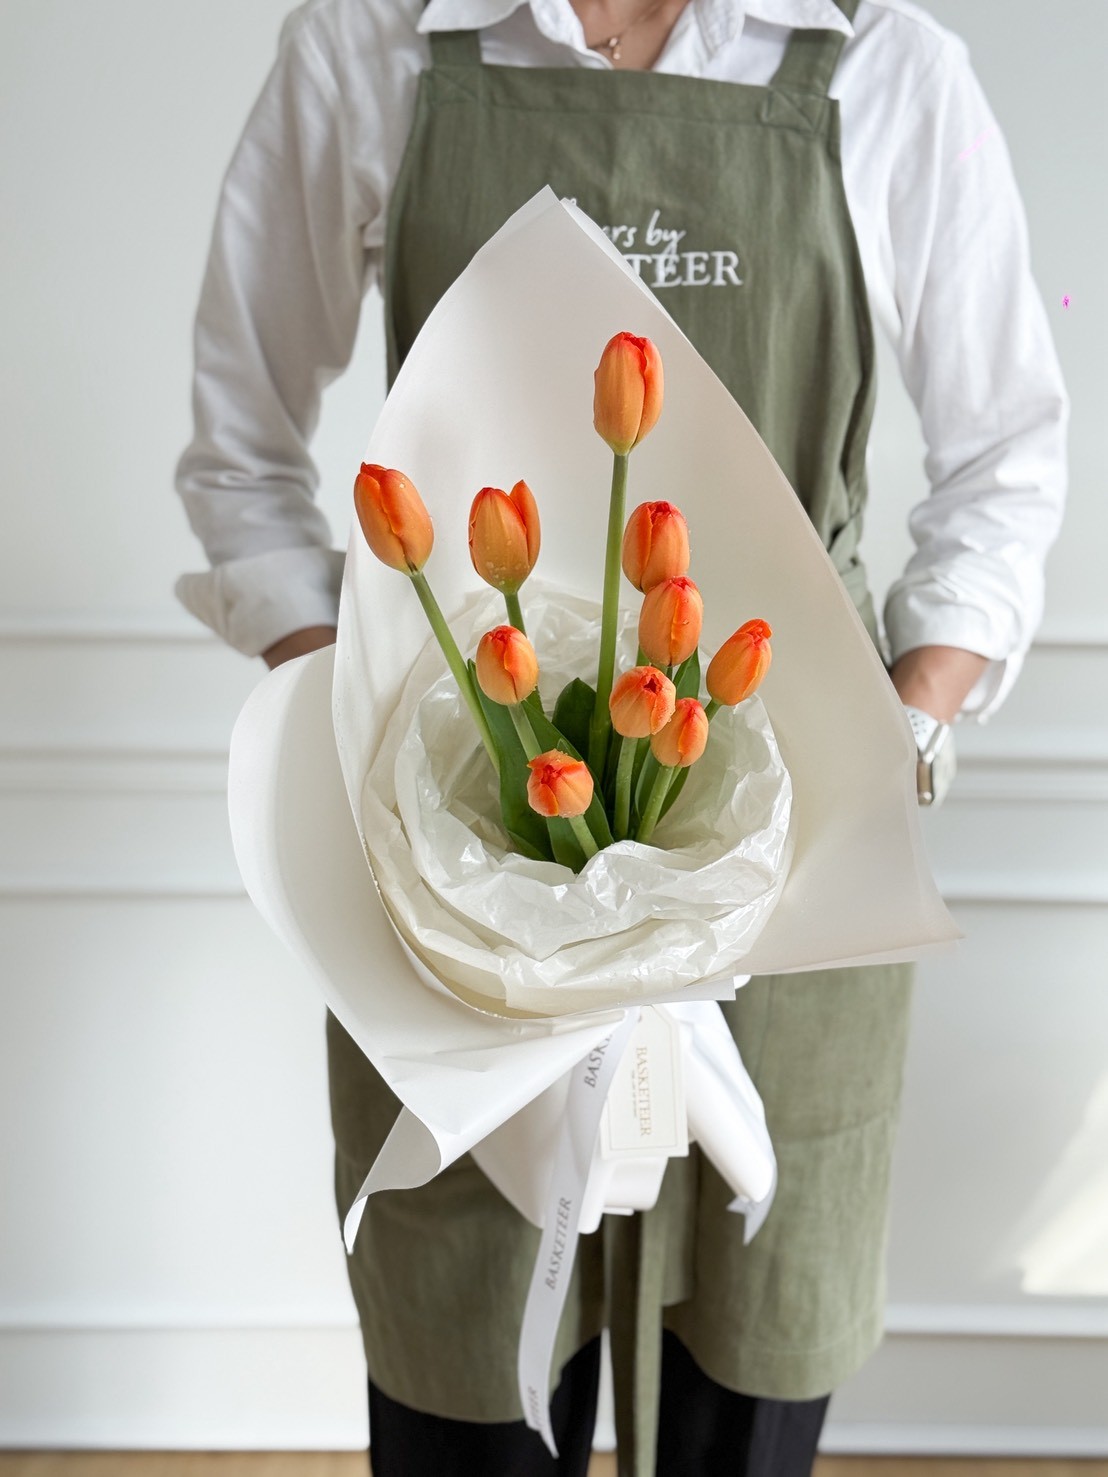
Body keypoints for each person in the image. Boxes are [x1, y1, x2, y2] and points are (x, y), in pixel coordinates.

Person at [174, 0, 1068, 1472]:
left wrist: (894, 741)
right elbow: (240, 439)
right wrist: (359, 735)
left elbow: (1007, 459)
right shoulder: (367, 46)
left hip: (797, 869)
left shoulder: (892, 71)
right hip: (452, 863)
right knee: (466, 1393)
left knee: (747, 1392)